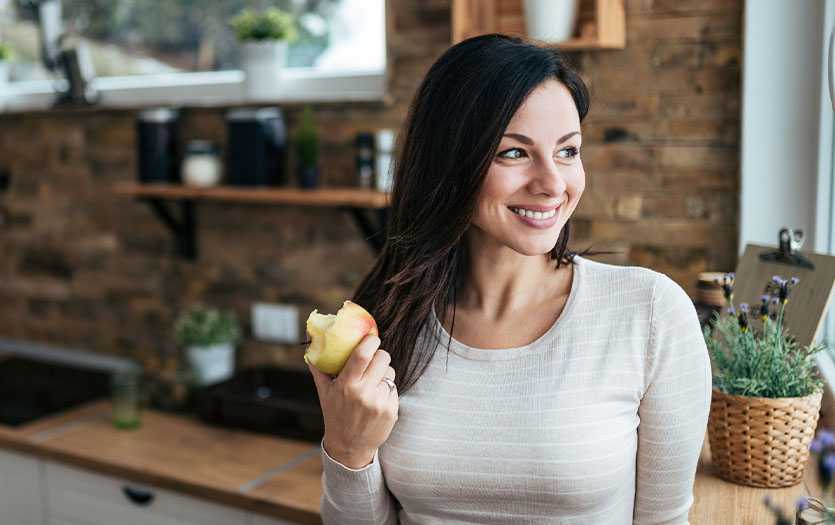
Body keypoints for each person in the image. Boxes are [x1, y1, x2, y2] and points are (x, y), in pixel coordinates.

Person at [306, 33, 712, 524]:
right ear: (451, 163)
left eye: (567, 151)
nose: (552, 184)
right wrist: (346, 449)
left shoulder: (649, 312)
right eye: (514, 153)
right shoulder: (388, 317)